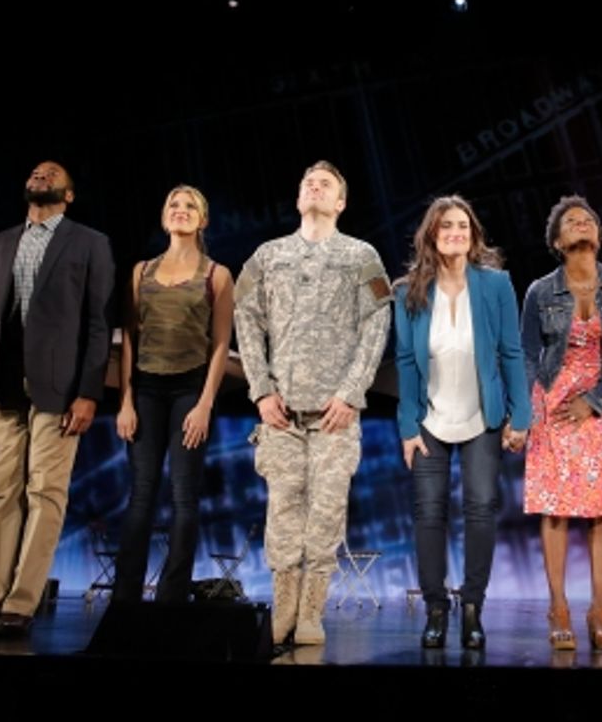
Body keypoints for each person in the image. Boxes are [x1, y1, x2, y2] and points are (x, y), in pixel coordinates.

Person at [0, 161, 114, 637]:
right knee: (1, 493)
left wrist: (88, 392)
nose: (40, 176)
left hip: (59, 388)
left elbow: (98, 324)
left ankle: (22, 601)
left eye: (52, 174)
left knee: (45, 492)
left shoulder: (90, 242)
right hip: (3, 383)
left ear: (69, 194)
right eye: (36, 172)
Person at [235, 161, 391, 647]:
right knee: (282, 510)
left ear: (340, 202)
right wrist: (260, 389)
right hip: (280, 414)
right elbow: (245, 317)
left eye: (325, 184)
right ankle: (282, 607)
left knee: (325, 513)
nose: (315, 186)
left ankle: (310, 612)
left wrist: (351, 393)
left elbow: (377, 321)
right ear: (299, 198)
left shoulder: (361, 255)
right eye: (307, 182)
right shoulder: (268, 255)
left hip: (334, 416)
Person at [394, 195, 530, 650]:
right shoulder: (409, 289)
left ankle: (473, 606)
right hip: (430, 419)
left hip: (483, 417)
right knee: (429, 512)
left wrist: (520, 416)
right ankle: (436, 608)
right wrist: (408, 426)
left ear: (472, 236)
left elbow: (511, 353)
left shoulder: (496, 285)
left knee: (481, 508)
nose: (455, 232)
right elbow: (405, 362)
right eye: (446, 225)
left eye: (463, 226)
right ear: (432, 234)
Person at [521, 195, 602, 651]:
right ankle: (558, 608)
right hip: (553, 406)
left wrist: (594, 400)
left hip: (599, 404)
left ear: (598, 234)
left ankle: (600, 609)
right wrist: (537, 409)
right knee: (555, 509)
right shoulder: (540, 290)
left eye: (588, 220)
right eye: (571, 221)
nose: (581, 224)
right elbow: (528, 355)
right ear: (558, 240)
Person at [114, 185, 234, 604]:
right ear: (165, 218)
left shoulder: (216, 274)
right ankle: (125, 595)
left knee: (184, 495)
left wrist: (204, 404)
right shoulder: (141, 271)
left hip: (190, 389)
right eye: (173, 205)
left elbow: (221, 344)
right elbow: (129, 338)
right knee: (141, 493)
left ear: (202, 220)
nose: (180, 211)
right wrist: (125, 400)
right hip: (146, 388)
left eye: (190, 207)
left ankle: (172, 595)